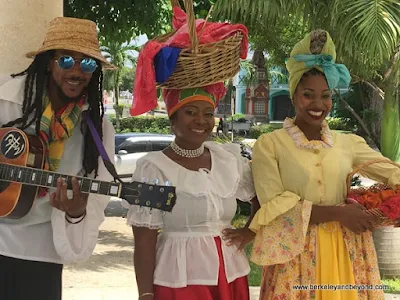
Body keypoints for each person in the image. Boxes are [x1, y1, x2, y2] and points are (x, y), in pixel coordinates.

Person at [249, 29, 398, 300]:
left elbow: (391, 172)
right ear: (294, 95)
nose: (318, 104)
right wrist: (340, 214)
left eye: (326, 95)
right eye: (308, 95)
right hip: (296, 253)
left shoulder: (347, 143)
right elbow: (274, 207)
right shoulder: (269, 145)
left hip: (349, 247)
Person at [0, 17, 116, 300]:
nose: (76, 71)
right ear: (49, 62)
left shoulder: (97, 129)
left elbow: (99, 193)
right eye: (66, 60)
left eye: (87, 63)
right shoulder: (6, 101)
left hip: (41, 253)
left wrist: (77, 211)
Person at [123, 84, 259, 300]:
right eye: (190, 112)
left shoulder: (227, 158)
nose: (201, 120)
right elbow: (144, 239)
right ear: (172, 118)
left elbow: (259, 200)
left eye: (208, 114)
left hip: (229, 274)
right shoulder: (154, 168)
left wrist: (249, 231)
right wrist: (146, 294)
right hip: (179, 279)